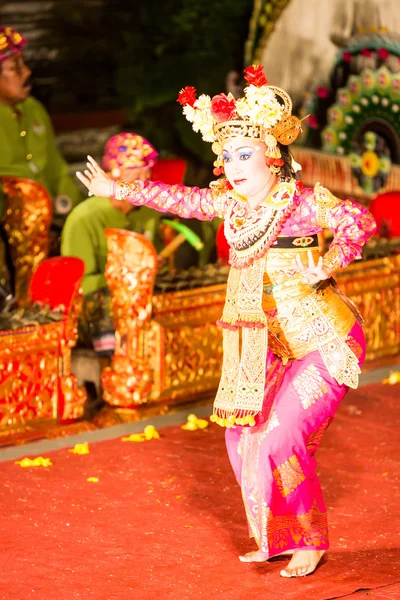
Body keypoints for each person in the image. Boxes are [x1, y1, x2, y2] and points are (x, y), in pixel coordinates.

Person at [76, 65, 376, 577]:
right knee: (241, 435)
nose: (232, 166)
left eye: (244, 155)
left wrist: (327, 263)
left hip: (325, 339)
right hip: (271, 346)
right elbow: (181, 199)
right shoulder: (230, 205)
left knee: (281, 436)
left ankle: (309, 539)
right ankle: (272, 536)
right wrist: (116, 189)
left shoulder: (300, 202)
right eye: (227, 156)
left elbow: (358, 221)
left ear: (273, 156)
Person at [62, 132, 162, 356]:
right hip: (97, 306)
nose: (145, 178)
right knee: (105, 303)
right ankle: (115, 368)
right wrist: (125, 274)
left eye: (148, 170)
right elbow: (78, 286)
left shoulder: (148, 211)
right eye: (136, 173)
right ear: (112, 173)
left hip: (139, 299)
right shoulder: (84, 218)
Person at [0, 26, 81, 217]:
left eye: (24, 64)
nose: (26, 72)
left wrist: (67, 199)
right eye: (15, 68)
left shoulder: (33, 108)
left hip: (50, 216)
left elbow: (55, 166)